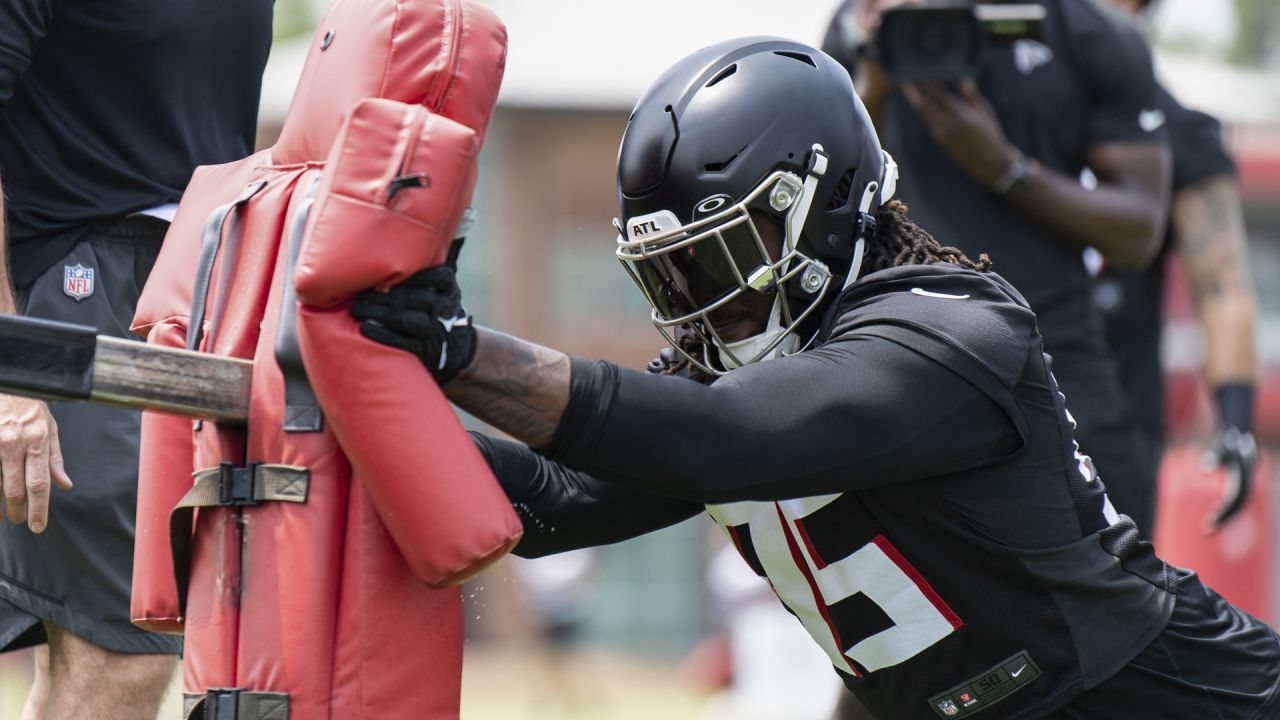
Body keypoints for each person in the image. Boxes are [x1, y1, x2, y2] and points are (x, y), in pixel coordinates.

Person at [351, 37, 1280, 719]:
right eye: (673, 274)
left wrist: (459, 351)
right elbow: (556, 504)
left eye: (722, 258)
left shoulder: (949, 329)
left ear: (824, 204)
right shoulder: (745, 372)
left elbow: (725, 443)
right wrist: (363, 409)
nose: (704, 304)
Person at [0, 3, 272, 717]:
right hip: (74, 285)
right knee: (120, 654)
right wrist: (10, 370)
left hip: (209, 283)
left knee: (99, 660)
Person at [821, 0, 1171, 539]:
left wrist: (1005, 168)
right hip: (904, 367)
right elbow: (824, 199)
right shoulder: (865, 22)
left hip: (1060, 367)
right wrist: (877, 70)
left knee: (1120, 599)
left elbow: (1139, 232)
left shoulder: (1092, 31)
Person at [1092, 0, 1259, 529]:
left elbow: (1224, 287)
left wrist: (1236, 424)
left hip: (1114, 417)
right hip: (996, 398)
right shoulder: (1003, 106)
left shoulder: (1178, 132)